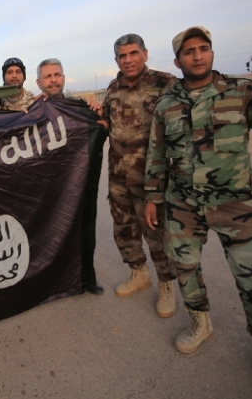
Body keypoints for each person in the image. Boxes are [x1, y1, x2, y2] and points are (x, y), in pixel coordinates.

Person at [144, 26, 252, 399]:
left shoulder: (244, 91)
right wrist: (153, 197)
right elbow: (156, 156)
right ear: (177, 61)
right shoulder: (166, 105)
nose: (197, 56)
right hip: (183, 206)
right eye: (189, 52)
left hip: (237, 205)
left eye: (204, 49)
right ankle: (200, 324)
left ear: (212, 53)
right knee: (185, 270)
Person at [101, 34, 178, 317]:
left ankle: (167, 285)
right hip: (119, 175)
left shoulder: (164, 83)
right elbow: (108, 123)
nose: (128, 60)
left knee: (156, 234)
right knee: (124, 229)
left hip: (152, 179)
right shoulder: (112, 88)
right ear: (116, 60)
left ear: (145, 53)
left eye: (133, 53)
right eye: (122, 56)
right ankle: (138, 274)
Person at [36, 58, 106, 295]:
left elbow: (100, 131)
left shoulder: (80, 109)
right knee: (47, 232)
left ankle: (86, 278)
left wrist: (97, 115)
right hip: (46, 186)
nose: (53, 80)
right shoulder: (31, 112)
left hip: (75, 184)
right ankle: (49, 282)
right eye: (48, 76)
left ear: (63, 78)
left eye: (57, 75)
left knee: (83, 228)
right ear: (39, 82)